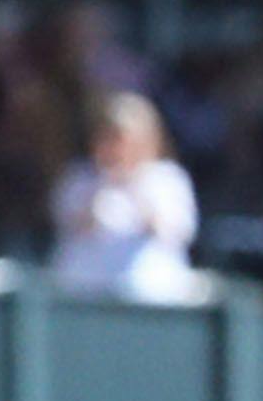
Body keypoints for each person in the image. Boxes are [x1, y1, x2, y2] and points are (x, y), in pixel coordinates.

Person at [50, 91, 200, 302]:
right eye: (109, 139)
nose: (118, 150)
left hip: (151, 298)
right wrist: (102, 186)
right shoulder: (80, 178)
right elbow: (70, 224)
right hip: (85, 295)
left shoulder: (168, 179)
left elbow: (174, 232)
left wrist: (135, 187)